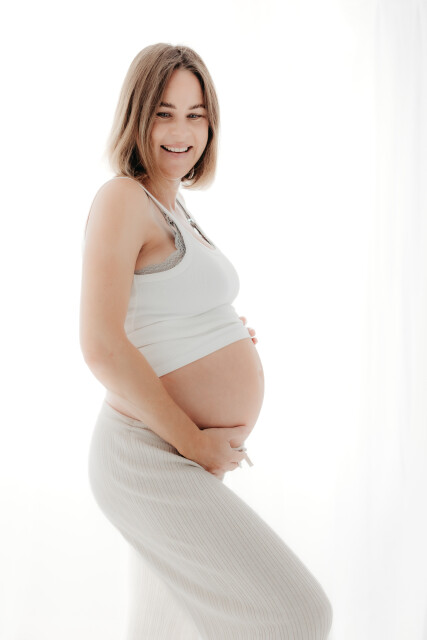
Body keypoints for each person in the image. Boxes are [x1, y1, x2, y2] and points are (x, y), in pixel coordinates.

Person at [79, 42, 333, 639]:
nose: (182, 131)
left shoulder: (174, 206)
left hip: (173, 449)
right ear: (136, 118)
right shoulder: (122, 198)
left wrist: (220, 335)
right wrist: (195, 442)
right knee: (298, 614)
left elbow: (157, 307)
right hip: (147, 453)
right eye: (164, 113)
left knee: (164, 631)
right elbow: (101, 345)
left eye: (196, 115)